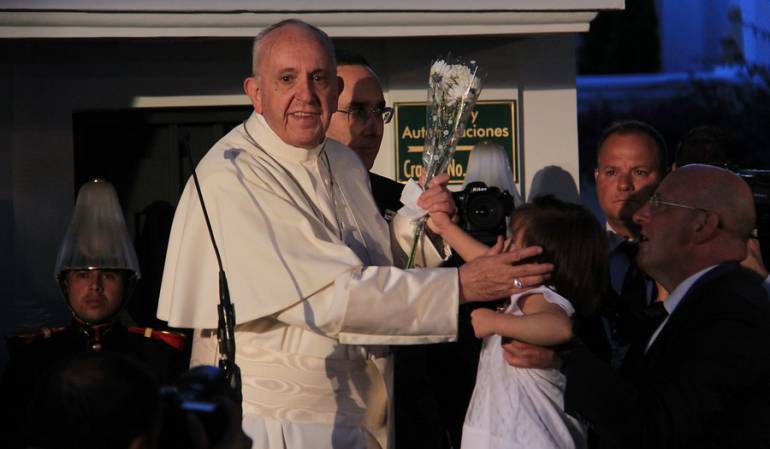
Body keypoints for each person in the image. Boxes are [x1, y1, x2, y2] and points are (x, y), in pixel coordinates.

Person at [157, 19, 551, 449]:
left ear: (333, 88)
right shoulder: (234, 175)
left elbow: (374, 264)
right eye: (287, 78)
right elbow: (332, 296)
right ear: (255, 92)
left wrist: (420, 224)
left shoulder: (342, 162)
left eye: (319, 78)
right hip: (278, 426)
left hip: (364, 414)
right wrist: (461, 285)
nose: (305, 94)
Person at [559, 164, 770, 448]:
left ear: (702, 225)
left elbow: (657, 431)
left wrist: (563, 357)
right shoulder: (697, 306)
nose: (639, 215)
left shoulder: (733, 315)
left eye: (659, 204)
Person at [0, 179, 188, 449]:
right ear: (65, 283)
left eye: (109, 275)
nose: (95, 286)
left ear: (128, 285)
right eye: (82, 275)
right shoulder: (33, 357)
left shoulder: (159, 355)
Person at [430, 195, 607, 449]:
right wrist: (446, 227)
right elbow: (479, 261)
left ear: (539, 261)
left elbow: (559, 327)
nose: (504, 246)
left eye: (514, 243)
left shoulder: (537, 296)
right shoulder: (520, 290)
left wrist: (496, 322)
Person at [325, 50, 402, 221]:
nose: (373, 129)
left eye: (379, 111)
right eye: (357, 111)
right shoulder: (292, 196)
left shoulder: (399, 200)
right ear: (321, 114)